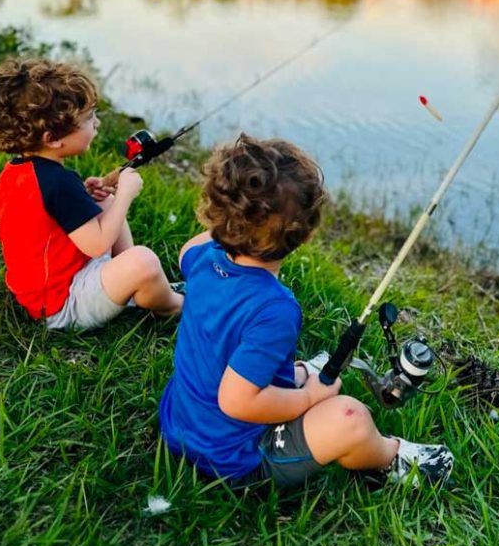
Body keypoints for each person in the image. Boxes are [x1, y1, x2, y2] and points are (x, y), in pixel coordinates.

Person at [159, 133, 454, 489]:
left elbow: (191, 249)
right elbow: (237, 400)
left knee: (277, 370)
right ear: (307, 235)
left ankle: (296, 378)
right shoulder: (275, 309)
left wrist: (231, 218)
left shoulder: (202, 257)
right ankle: (390, 460)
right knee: (350, 418)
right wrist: (310, 397)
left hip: (180, 426)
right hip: (234, 458)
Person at [0, 58, 184, 330]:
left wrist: (86, 197)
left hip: (43, 290)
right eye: (89, 118)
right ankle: (173, 304)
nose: (97, 123)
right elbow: (97, 245)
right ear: (52, 138)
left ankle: (135, 285)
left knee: (104, 201)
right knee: (143, 260)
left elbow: (48, 218)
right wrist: (125, 194)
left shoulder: (17, 173)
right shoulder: (58, 183)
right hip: (62, 305)